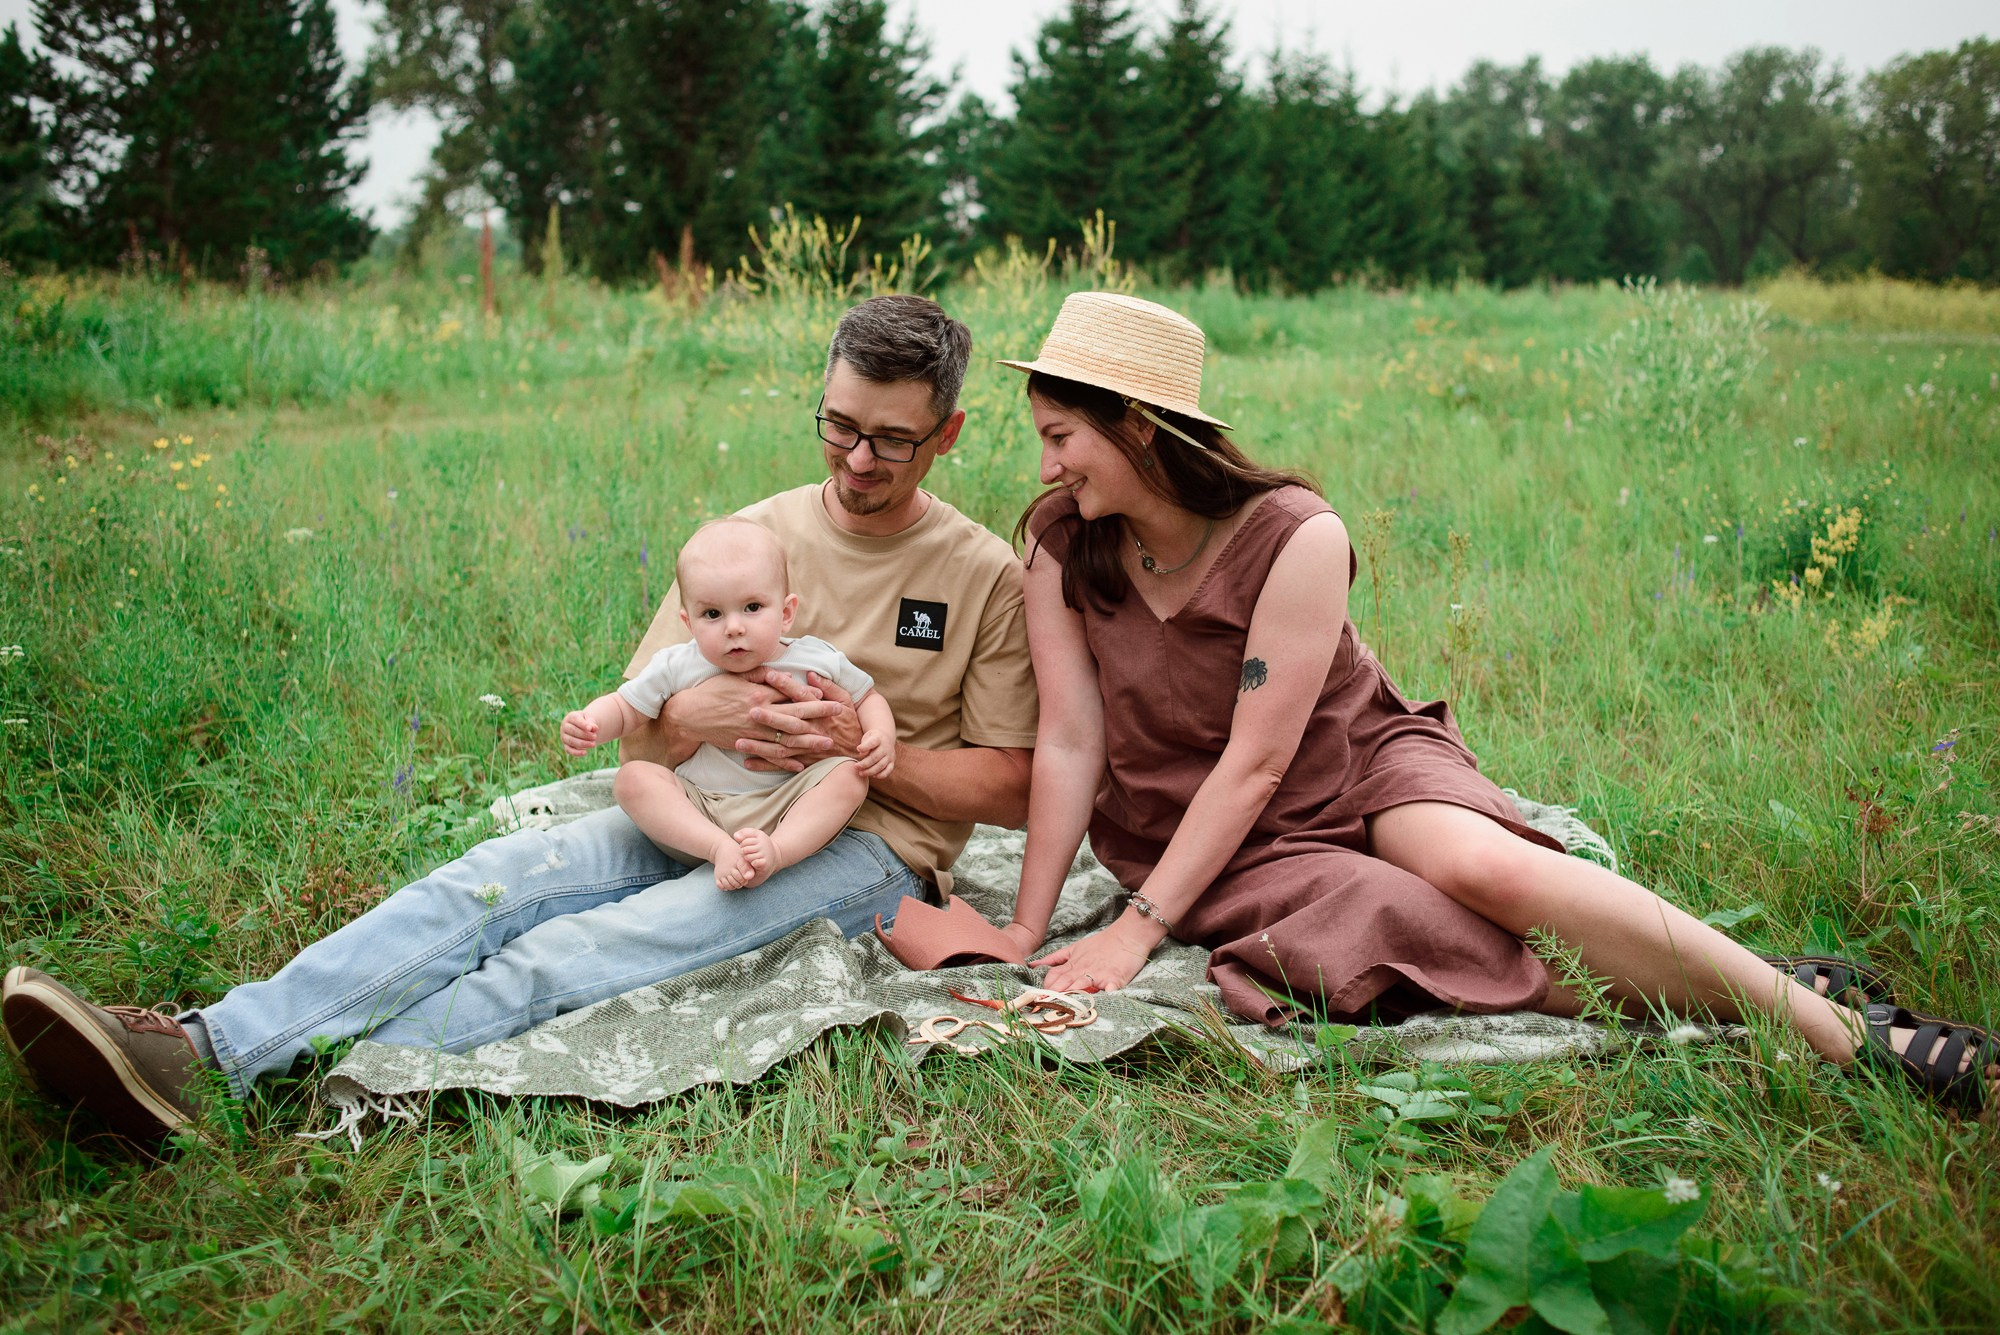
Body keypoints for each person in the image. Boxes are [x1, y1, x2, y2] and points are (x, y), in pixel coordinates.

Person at [2, 294, 1039, 1145]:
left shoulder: (981, 572)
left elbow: (1006, 786)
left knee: (602, 944)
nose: (857, 460)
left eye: (892, 441)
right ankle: (204, 1050)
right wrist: (698, 712)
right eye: (839, 426)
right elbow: (644, 732)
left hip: (858, 848)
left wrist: (851, 751)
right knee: (494, 886)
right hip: (700, 806)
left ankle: (313, 1087)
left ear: (945, 433)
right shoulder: (750, 538)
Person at [998, 291, 1996, 1113]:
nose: (1044, 466)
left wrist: (1135, 929)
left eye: (1060, 436)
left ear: (1136, 423)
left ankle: (1836, 1037)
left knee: (1479, 867)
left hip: (1349, 763)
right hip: (1207, 829)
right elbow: (1073, 742)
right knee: (1407, 926)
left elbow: (1261, 760)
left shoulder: (1292, 534)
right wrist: (1024, 930)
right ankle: (1756, 983)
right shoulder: (1059, 539)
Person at [564, 518, 896, 891]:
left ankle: (777, 853)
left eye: (752, 607)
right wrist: (591, 721)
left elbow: (867, 696)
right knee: (632, 778)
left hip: (786, 803)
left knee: (850, 775)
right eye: (713, 614)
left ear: (786, 613)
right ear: (688, 623)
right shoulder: (679, 664)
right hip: (699, 807)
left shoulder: (813, 659)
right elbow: (626, 708)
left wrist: (880, 734)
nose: (734, 627)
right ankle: (718, 847)